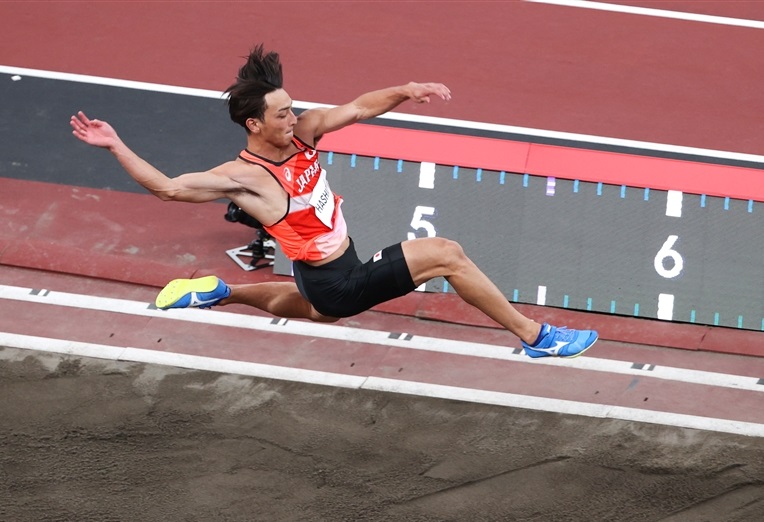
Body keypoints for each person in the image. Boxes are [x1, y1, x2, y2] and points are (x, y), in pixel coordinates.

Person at [70, 44, 597, 358]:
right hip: (332, 276)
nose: (293, 116)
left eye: (292, 108)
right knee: (446, 253)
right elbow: (168, 187)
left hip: (321, 273)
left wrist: (406, 88)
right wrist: (116, 145)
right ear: (255, 124)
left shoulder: (305, 131)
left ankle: (219, 292)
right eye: (282, 113)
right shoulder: (244, 177)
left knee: (319, 313)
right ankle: (535, 337)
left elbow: (361, 107)